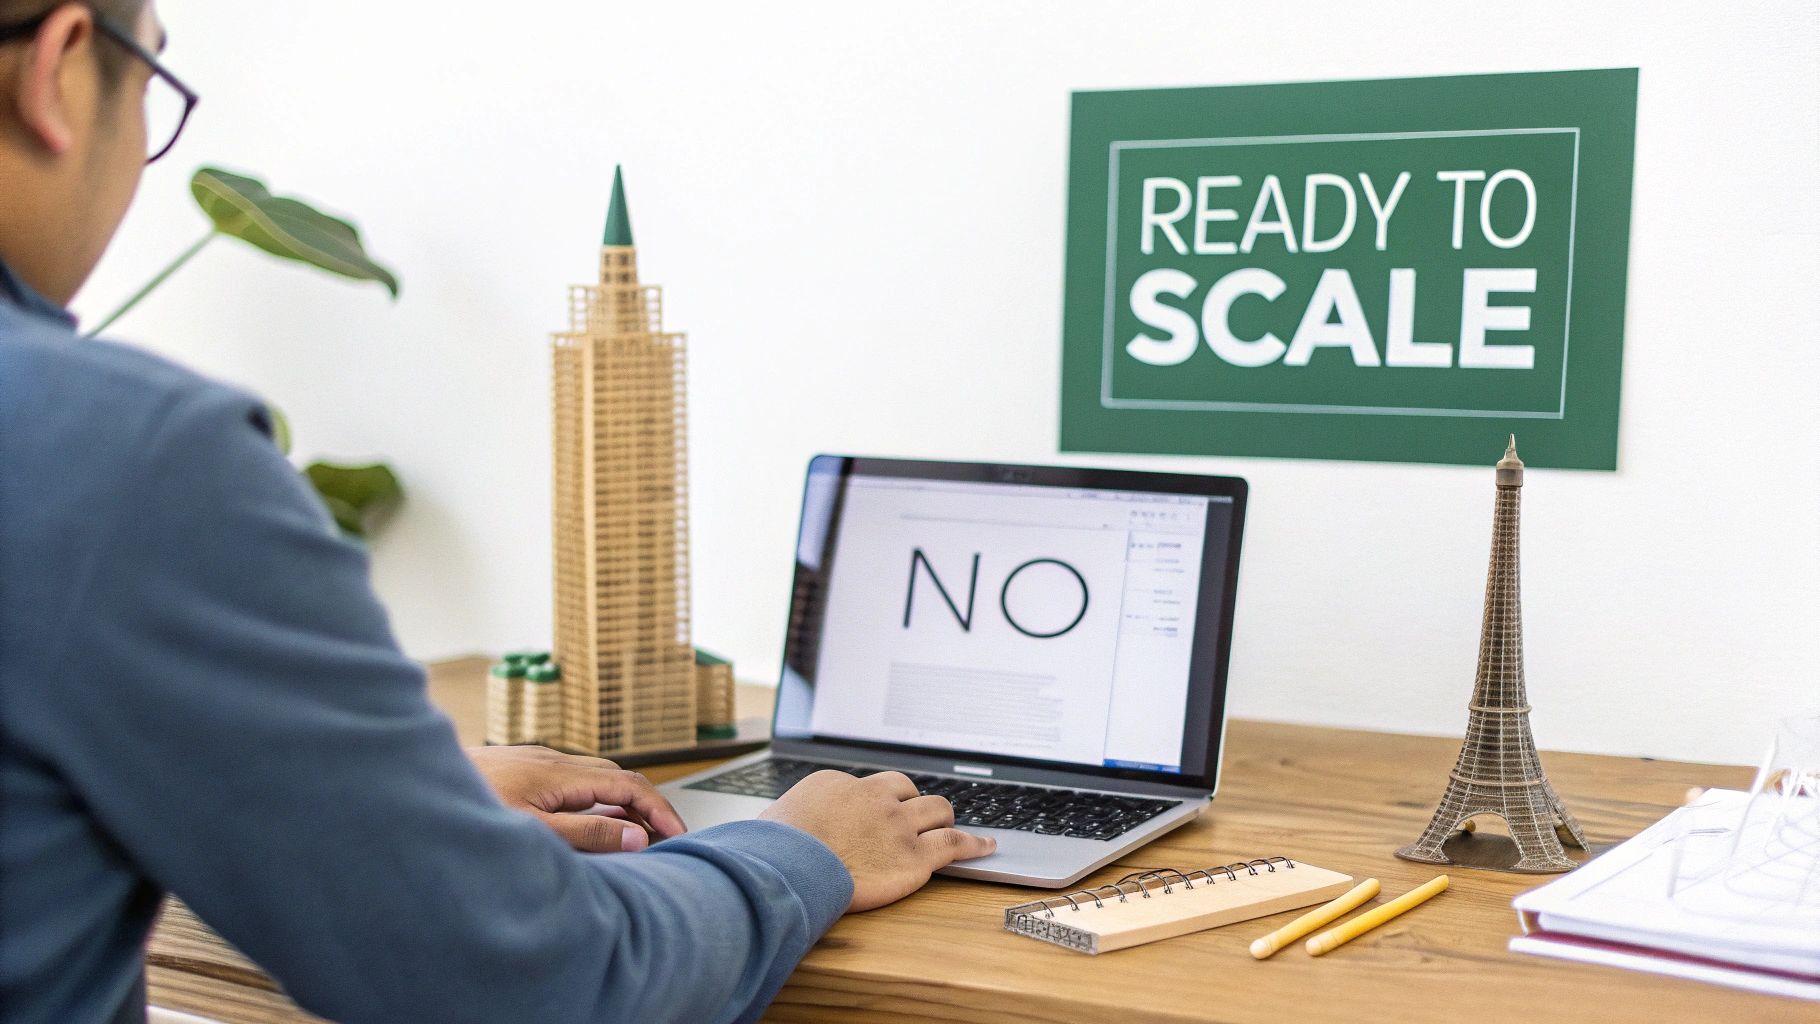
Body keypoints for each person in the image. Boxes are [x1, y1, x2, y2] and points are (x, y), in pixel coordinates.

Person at [0, 3, 995, 1022]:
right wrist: (800, 850)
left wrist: (379, 795)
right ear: (63, 67)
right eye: (153, 90)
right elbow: (538, 982)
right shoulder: (119, 454)